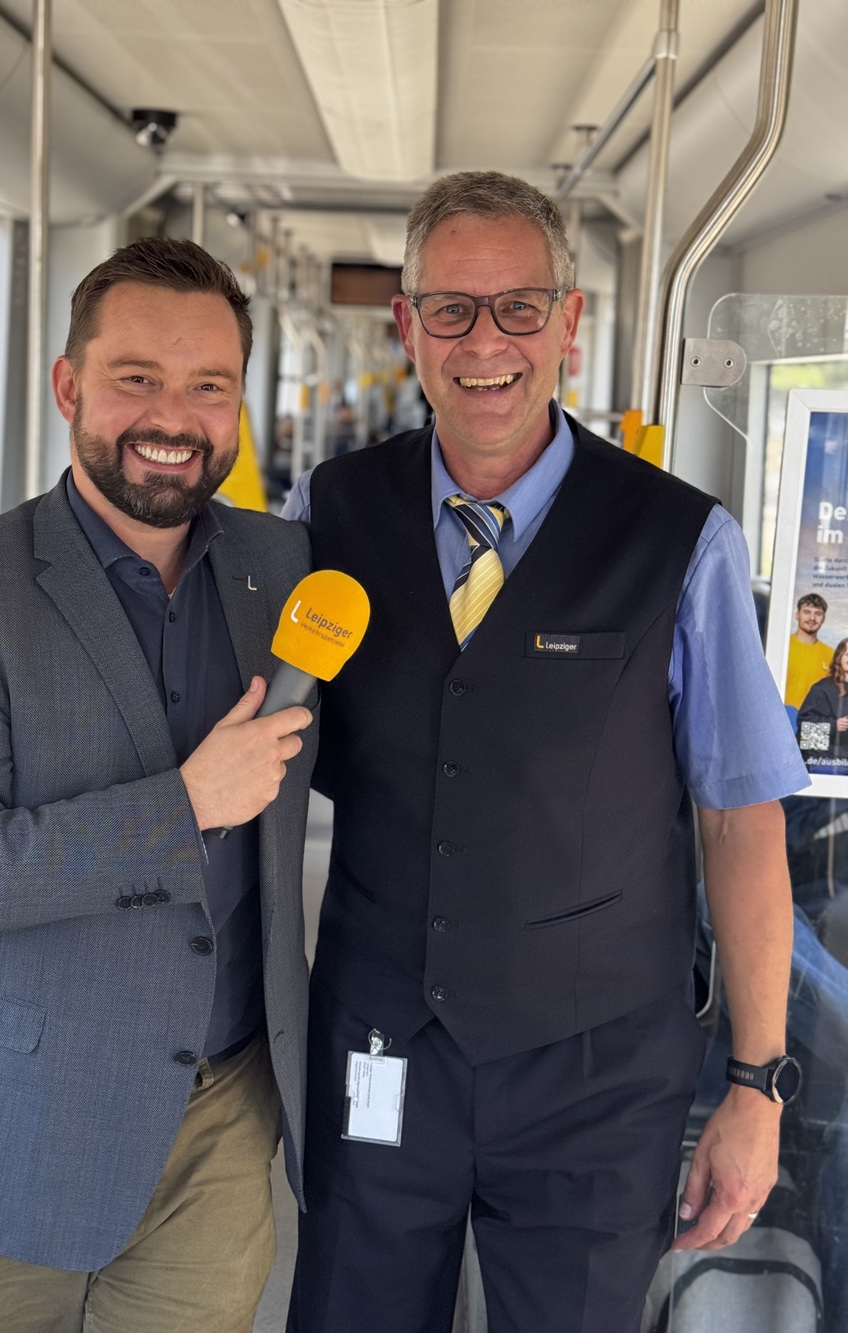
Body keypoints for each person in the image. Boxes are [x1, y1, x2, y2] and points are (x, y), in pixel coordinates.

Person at [282, 172, 808, 1333]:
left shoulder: (682, 541)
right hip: (381, 1046)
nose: (486, 344)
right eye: (451, 309)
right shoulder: (328, 513)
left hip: (596, 1077)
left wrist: (755, 1085)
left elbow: (740, 817)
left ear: (569, 321)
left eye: (519, 306)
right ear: (406, 322)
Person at [0, 237, 316, 1333]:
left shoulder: (284, 570)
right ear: (68, 386)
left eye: (208, 386)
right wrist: (183, 808)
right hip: (5, 1115)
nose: (174, 417)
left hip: (217, 1111)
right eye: (136, 377)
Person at [798, 636, 848, 771]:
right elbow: (804, 727)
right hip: (827, 761)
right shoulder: (822, 689)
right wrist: (834, 725)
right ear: (839, 657)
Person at [785, 591, 831, 710]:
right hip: (782, 716)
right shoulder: (783, 647)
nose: (812, 618)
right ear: (797, 615)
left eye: (818, 613)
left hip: (813, 719)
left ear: (823, 619)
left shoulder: (831, 655)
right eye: (806, 612)